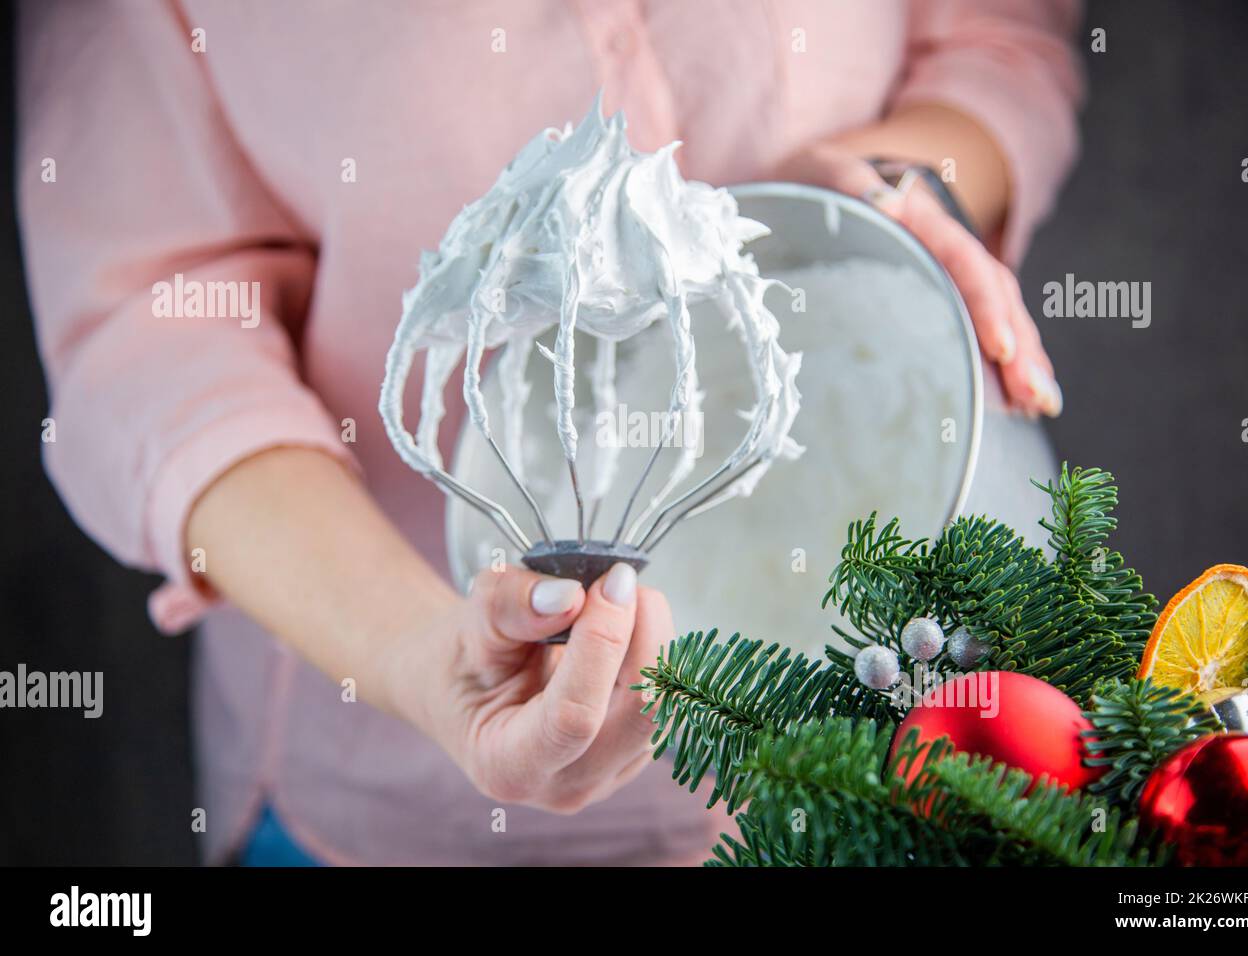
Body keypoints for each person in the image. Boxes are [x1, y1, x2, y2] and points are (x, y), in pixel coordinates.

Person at [17, 0, 1082, 865]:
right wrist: (415, 652)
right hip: (388, 805)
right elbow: (152, 328)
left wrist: (891, 188)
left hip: (909, 760)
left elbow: (991, 39)